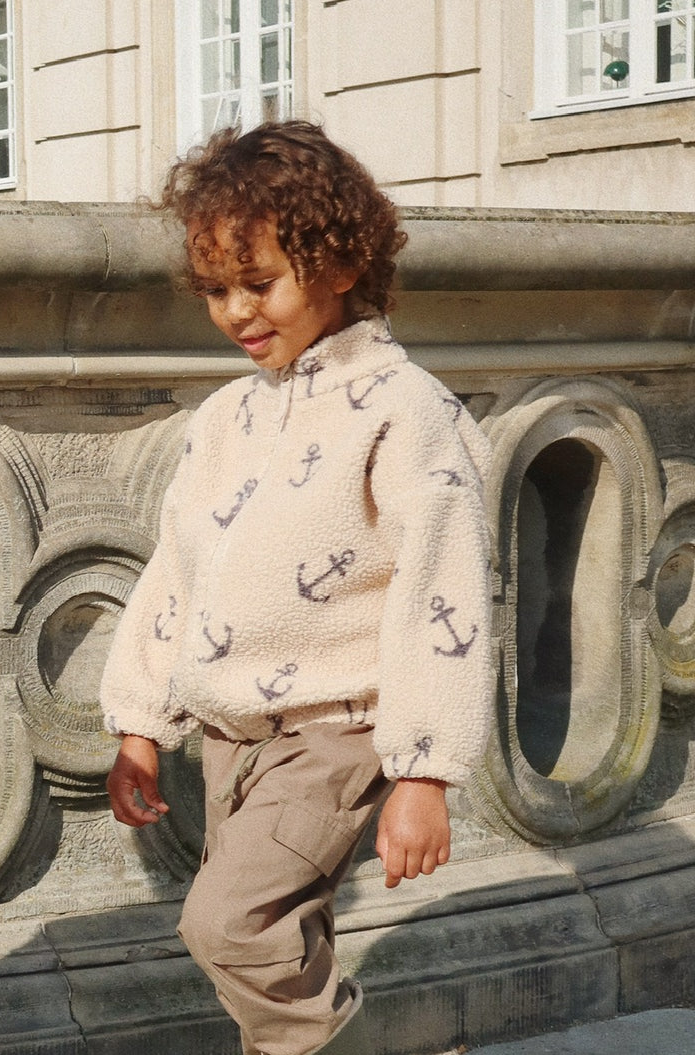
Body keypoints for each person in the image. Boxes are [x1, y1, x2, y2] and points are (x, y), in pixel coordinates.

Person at [100, 121, 493, 1055]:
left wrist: (424, 771)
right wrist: (138, 725)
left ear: (341, 263)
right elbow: (176, 571)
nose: (236, 311)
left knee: (228, 925)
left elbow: (446, 587)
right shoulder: (227, 417)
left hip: (336, 731)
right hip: (232, 740)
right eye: (215, 291)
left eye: (259, 282)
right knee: (283, 937)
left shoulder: (407, 411)